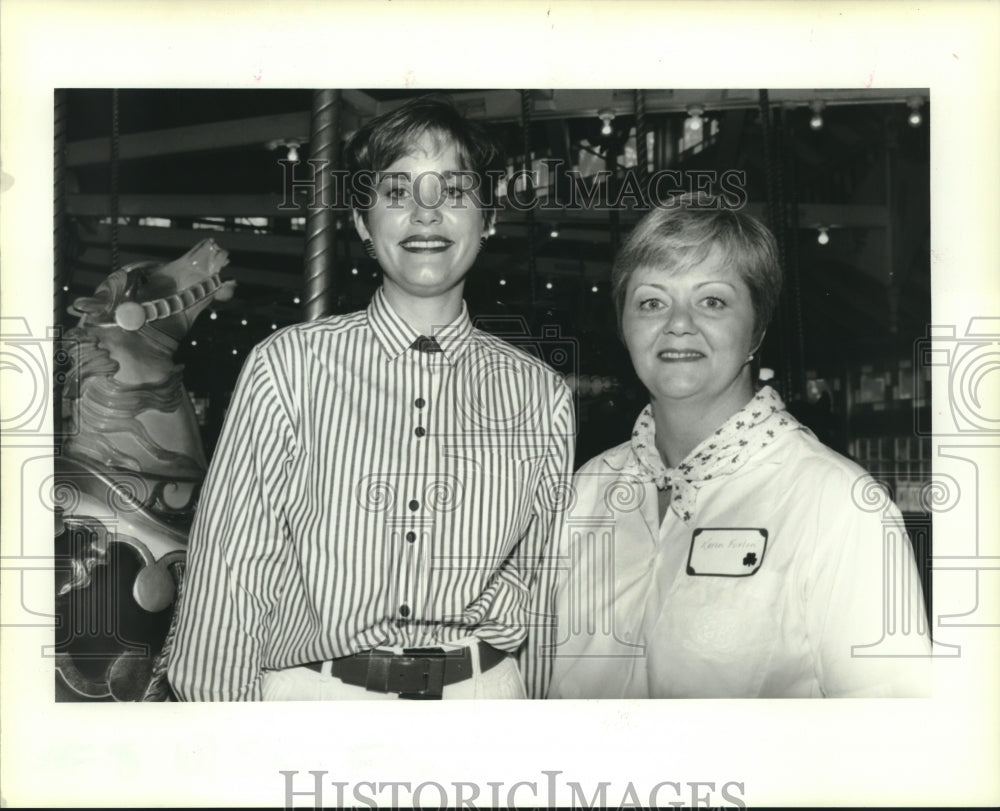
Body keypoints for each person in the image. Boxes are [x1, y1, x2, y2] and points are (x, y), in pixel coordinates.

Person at [167, 97, 574, 701]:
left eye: (454, 191)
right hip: (317, 700)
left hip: (481, 698)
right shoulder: (290, 366)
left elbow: (546, 586)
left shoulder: (539, 393)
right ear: (362, 221)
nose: (426, 213)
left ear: (487, 218)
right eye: (397, 192)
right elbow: (231, 564)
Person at [548, 194, 930, 698]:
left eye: (713, 301)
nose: (678, 323)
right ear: (624, 325)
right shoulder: (586, 490)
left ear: (757, 329)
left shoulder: (836, 503)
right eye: (651, 302)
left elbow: (892, 730)